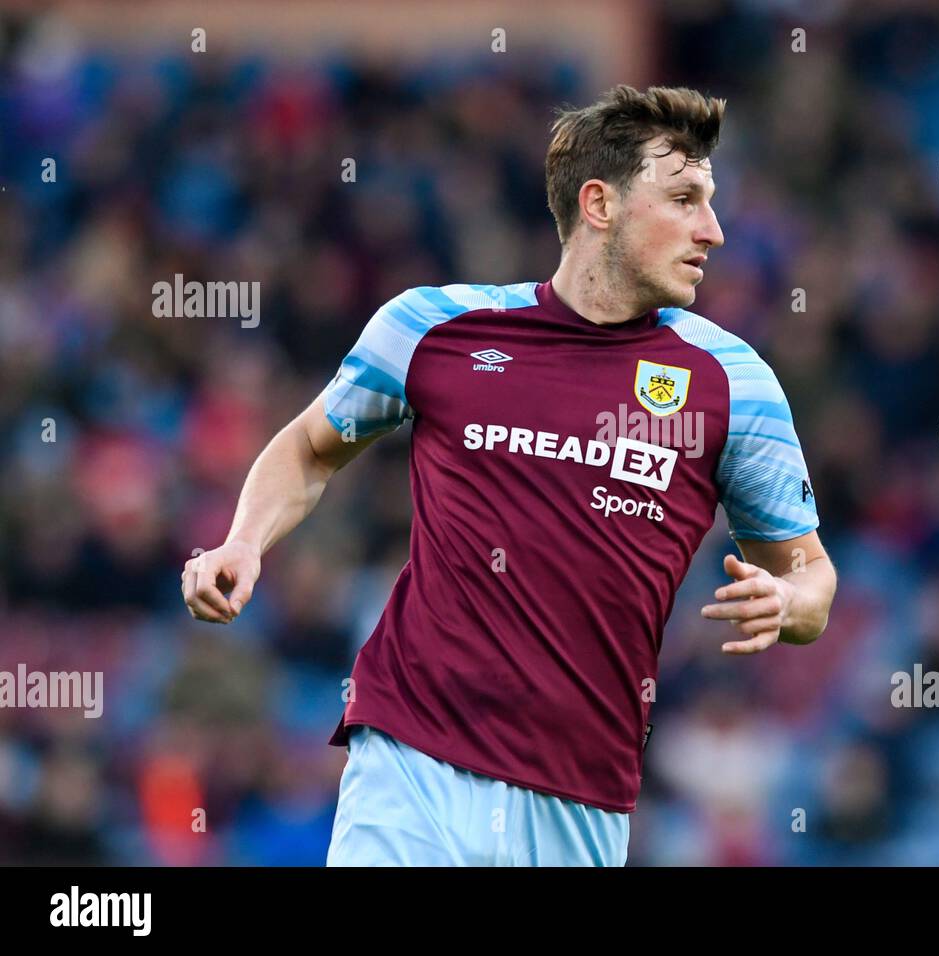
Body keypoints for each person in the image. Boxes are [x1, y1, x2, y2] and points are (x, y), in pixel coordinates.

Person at [181, 84, 837, 866]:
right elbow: (311, 447)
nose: (714, 230)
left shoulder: (734, 381)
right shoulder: (434, 329)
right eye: (686, 198)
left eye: (712, 201)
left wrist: (789, 600)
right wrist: (244, 541)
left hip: (581, 792)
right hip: (410, 755)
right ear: (600, 204)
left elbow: (811, 576)